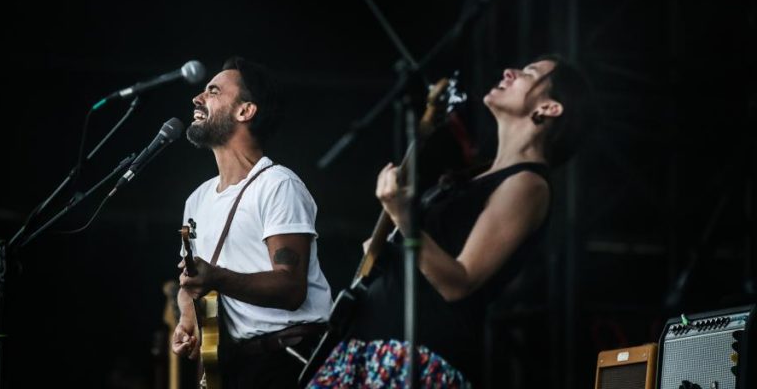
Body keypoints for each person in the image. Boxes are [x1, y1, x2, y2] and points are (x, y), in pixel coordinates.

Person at [307, 54, 595, 388]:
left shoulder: (529, 185)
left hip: (410, 360)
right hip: (365, 349)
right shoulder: (475, 176)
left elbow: (460, 281)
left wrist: (403, 215)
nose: (509, 70)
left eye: (529, 73)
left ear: (550, 107)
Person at [172, 57, 333, 388]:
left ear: (245, 111)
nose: (197, 99)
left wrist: (216, 277)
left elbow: (291, 288)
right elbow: (192, 281)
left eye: (213, 91)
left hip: (290, 361)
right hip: (238, 366)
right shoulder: (196, 200)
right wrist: (188, 316)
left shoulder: (278, 184)